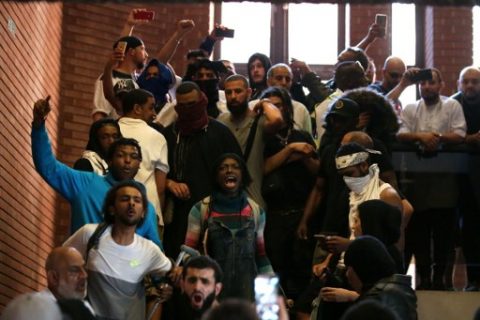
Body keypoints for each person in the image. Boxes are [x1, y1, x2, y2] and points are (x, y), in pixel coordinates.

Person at [31, 96, 161, 246]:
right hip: (83, 267)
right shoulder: (85, 183)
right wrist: (39, 126)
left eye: (133, 157)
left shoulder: (145, 207)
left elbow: (155, 253)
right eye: (120, 155)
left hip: (127, 268)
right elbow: (48, 167)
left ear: (139, 164)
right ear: (110, 160)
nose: (127, 161)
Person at [397, 68, 466, 290]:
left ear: (441, 85)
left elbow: (460, 134)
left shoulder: (452, 105)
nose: (426, 86)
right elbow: (400, 133)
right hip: (418, 181)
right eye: (423, 83)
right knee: (420, 233)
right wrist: (420, 136)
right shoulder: (410, 108)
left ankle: (440, 278)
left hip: (445, 180)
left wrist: (435, 138)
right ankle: (425, 277)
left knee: (444, 233)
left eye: (431, 83)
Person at [64, 180, 173, 320]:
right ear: (111, 209)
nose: (131, 203)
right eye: (125, 199)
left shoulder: (149, 250)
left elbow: (174, 273)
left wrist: (167, 288)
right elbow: (59, 261)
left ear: (143, 213)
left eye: (137, 200)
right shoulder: (89, 234)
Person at [162, 81, 242, 258]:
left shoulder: (221, 133)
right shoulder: (169, 135)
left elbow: (238, 176)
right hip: (177, 217)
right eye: (182, 106)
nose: (188, 109)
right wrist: (169, 183)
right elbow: (155, 172)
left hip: (215, 214)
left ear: (202, 101)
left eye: (192, 104)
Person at [184, 153, 273, 301]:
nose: (229, 171)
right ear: (215, 176)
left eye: (235, 167)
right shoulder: (200, 210)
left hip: (247, 296)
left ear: (243, 175)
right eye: (223, 168)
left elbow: (261, 256)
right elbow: (188, 254)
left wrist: (271, 293)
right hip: (212, 295)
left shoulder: (256, 211)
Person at [260, 86, 319, 300]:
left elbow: (317, 174)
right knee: (270, 274)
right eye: (270, 106)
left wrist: (300, 155)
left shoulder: (301, 134)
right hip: (272, 216)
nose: (274, 109)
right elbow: (263, 169)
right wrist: (292, 150)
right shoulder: (262, 139)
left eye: (278, 105)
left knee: (301, 275)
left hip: (301, 213)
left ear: (287, 108)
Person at [218, 74, 283, 209]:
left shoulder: (259, 121)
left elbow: (277, 119)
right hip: (225, 202)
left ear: (248, 93)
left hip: (252, 203)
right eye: (229, 92)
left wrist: (265, 102)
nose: (233, 96)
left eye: (238, 91)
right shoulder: (221, 120)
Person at [118, 89, 169, 229]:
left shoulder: (108, 133)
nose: (154, 114)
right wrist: (158, 216)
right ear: (137, 109)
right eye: (151, 107)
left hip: (114, 212)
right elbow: (160, 187)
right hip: (147, 213)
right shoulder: (157, 137)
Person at [1, 247, 92, 319]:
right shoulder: (34, 309)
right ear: (53, 278)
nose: (84, 275)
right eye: (74, 270)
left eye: (83, 268)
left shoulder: (85, 309)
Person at [451, 66, 480, 291]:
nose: (470, 85)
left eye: (475, 81)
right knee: (469, 229)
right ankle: (473, 279)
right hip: (461, 176)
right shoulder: (452, 104)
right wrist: (467, 140)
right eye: (466, 81)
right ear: (459, 84)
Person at [344, 236, 417, 320]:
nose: (347, 274)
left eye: (349, 268)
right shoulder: (399, 288)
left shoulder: (378, 298)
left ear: (362, 268)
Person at [92, 35, 146, 120]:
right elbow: (100, 114)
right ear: (132, 51)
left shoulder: (138, 81)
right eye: (142, 49)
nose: (146, 54)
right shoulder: (108, 77)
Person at [252, 63, 312, 134]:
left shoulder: (301, 109)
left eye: (288, 79)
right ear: (268, 82)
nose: (284, 82)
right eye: (279, 78)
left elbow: (308, 142)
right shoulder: (253, 106)